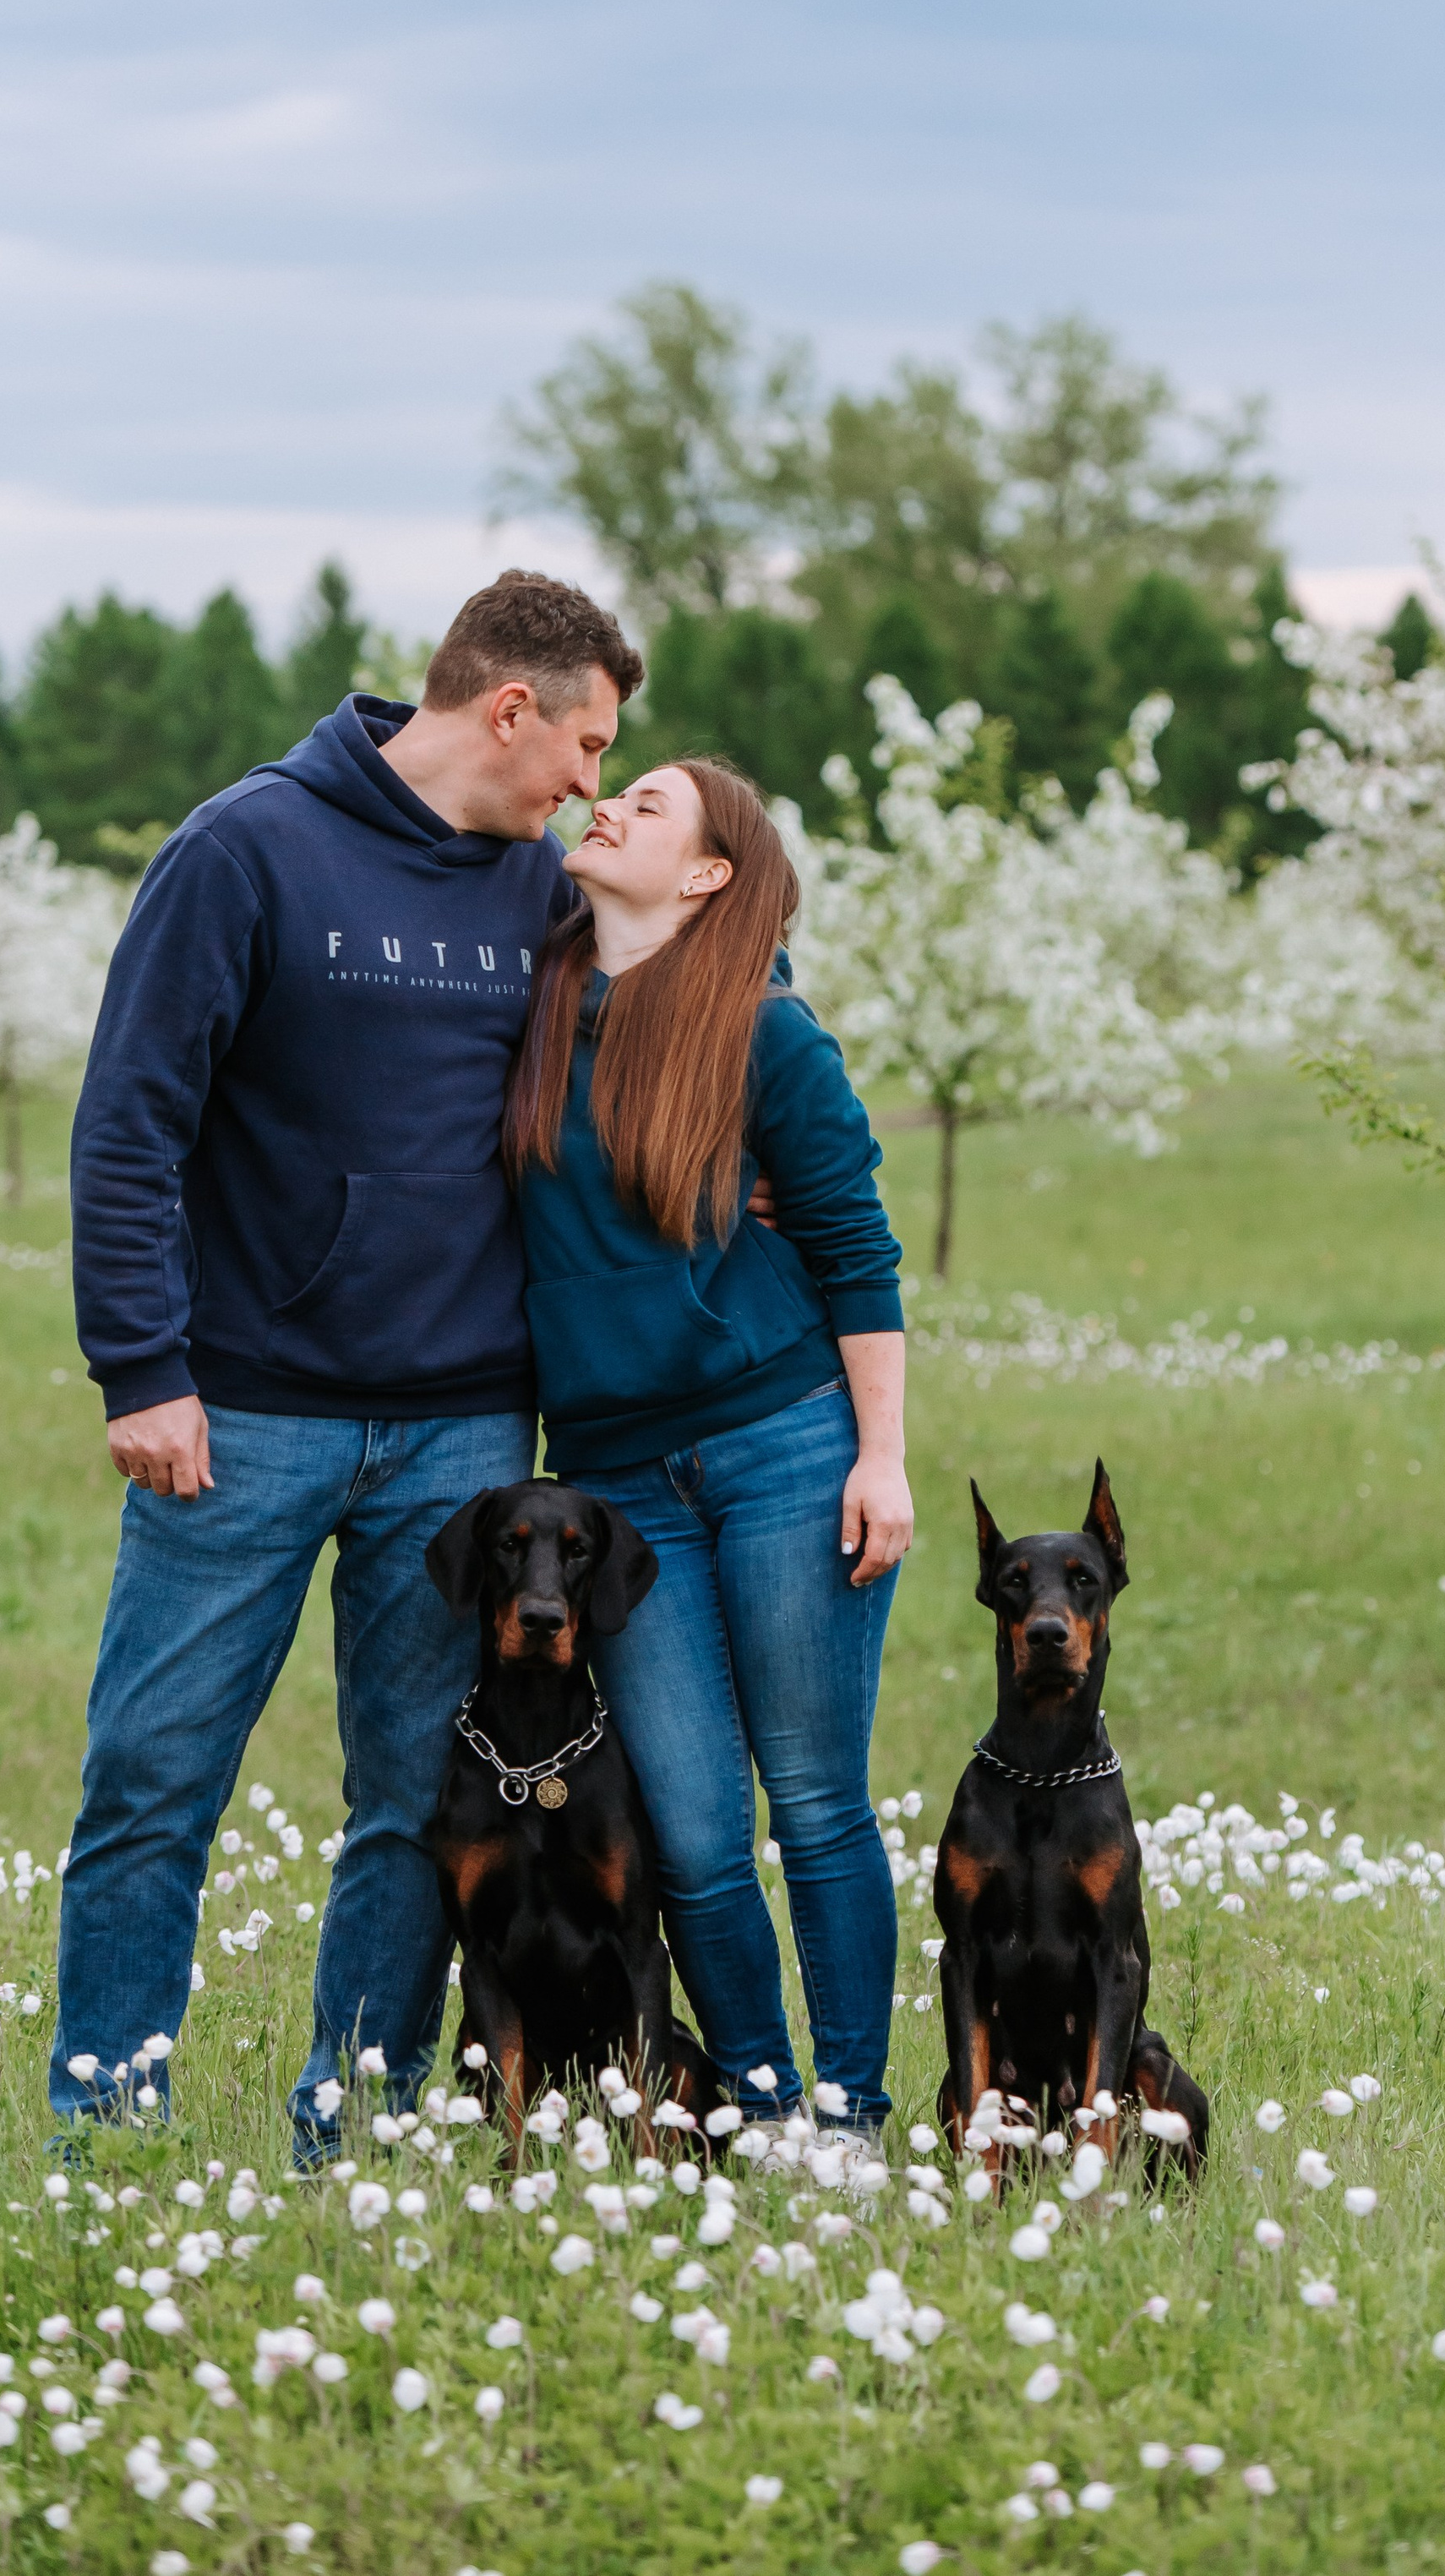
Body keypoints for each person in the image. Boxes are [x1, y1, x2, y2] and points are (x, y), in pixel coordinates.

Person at [51, 570, 644, 2151]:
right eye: (585, 743)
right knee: (152, 1786)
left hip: (459, 1439)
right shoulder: (245, 850)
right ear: (507, 709)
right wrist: (140, 1371)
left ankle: (350, 2144)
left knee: (406, 1811)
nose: (593, 784)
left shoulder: (541, 886)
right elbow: (128, 1129)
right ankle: (104, 2141)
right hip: (238, 1414)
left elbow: (706, 976)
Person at [504, 756, 912, 2133]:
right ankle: (759, 2105)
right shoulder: (536, 999)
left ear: (707, 876)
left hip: (784, 1443)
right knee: (690, 1831)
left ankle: (850, 2121)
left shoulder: (767, 1032)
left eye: (650, 806)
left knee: (812, 1803)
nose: (605, 804)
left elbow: (856, 1248)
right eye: (612, 791)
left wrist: (882, 1456)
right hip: (618, 1484)